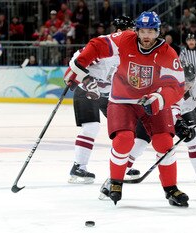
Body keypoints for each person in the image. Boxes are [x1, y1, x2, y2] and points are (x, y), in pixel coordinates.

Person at [64, 11, 188, 207]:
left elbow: (176, 86)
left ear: (158, 32)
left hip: (151, 100)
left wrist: (159, 99)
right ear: (137, 31)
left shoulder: (167, 52)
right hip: (122, 100)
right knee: (123, 141)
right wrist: (80, 65)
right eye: (143, 31)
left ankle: (171, 188)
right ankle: (115, 182)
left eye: (151, 31)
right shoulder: (125, 38)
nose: (146, 35)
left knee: (164, 143)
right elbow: (98, 45)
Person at [100, 63, 196, 201]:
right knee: (138, 145)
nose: (187, 87)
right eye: (184, 83)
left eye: (190, 83)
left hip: (185, 111)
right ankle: (114, 179)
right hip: (158, 112)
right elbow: (168, 112)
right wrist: (180, 126)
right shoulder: (169, 82)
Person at [66, 16, 140, 184]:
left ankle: (124, 164)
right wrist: (86, 80)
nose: (135, 34)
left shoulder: (131, 50)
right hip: (87, 90)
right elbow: (75, 61)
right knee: (91, 127)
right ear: (121, 31)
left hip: (108, 94)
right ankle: (79, 167)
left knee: (126, 129)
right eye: (132, 30)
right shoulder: (105, 45)